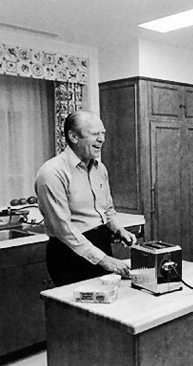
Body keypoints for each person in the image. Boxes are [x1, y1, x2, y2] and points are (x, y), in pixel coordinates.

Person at [35, 111, 137, 287]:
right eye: (95, 134)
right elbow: (63, 229)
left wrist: (119, 229)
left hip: (100, 244)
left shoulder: (100, 168)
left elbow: (106, 209)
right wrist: (104, 260)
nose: (102, 139)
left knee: (107, 307)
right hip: (69, 253)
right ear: (73, 136)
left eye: (103, 133)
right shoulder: (52, 173)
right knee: (77, 311)